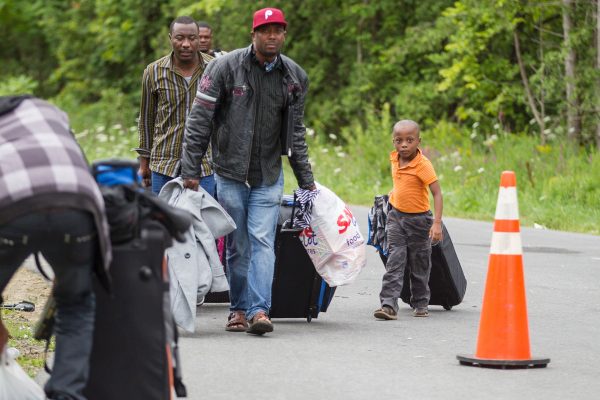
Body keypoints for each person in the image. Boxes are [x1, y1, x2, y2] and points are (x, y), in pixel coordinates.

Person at [180, 7, 316, 335]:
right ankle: (237, 309)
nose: (272, 36)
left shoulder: (294, 77)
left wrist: (306, 180)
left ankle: (259, 311)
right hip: (229, 173)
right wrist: (191, 168)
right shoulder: (224, 68)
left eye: (278, 31)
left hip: (268, 175)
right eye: (265, 31)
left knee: (263, 240)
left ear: (284, 35)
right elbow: (199, 120)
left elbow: (295, 132)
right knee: (239, 243)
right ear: (253, 35)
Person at [0, 96, 112, 400]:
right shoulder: (48, 113)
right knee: (76, 304)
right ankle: (66, 394)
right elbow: (79, 164)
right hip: (76, 205)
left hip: (13, 208)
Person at [136, 16, 215, 196]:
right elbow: (146, 120)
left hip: (204, 164)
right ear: (170, 38)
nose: (186, 44)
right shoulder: (153, 71)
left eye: (192, 38)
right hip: (164, 163)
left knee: (204, 222)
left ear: (198, 38)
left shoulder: (214, 68)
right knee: (164, 221)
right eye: (180, 38)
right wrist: (144, 164)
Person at [373, 120, 443, 320]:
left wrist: (436, 223)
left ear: (418, 141)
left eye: (409, 140)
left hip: (420, 222)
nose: (404, 145)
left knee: (419, 264)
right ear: (393, 142)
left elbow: (437, 193)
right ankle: (388, 306)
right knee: (395, 260)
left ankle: (421, 303)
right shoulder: (395, 158)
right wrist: (394, 195)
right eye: (398, 140)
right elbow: (401, 182)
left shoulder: (423, 165)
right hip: (396, 217)